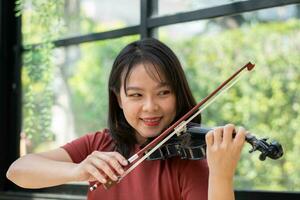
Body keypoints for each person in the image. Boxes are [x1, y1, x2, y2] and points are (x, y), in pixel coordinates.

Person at [6, 38, 246, 200]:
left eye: (163, 92)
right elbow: (17, 171)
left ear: (178, 93)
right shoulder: (100, 144)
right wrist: (77, 171)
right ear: (119, 99)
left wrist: (221, 175)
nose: (150, 107)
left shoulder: (189, 165)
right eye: (136, 95)